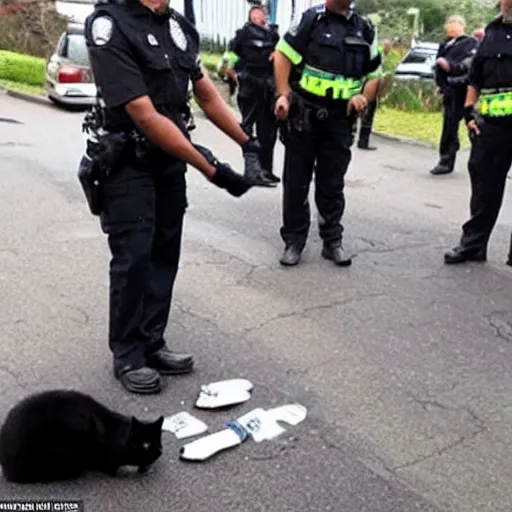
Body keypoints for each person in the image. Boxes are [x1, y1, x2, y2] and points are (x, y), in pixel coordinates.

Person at [82, 0, 269, 394]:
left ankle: (152, 341)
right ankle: (128, 354)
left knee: (165, 252)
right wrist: (212, 168)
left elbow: (205, 93)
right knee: (134, 258)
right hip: (128, 162)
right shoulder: (109, 24)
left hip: (169, 162)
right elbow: (143, 114)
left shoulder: (178, 27)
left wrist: (248, 142)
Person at [273, 0, 382, 267]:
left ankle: (332, 240)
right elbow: (282, 55)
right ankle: (294, 241)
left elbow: (375, 74)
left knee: (332, 182)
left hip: (340, 119)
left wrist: (362, 98)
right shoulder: (312, 19)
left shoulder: (364, 28)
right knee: (296, 181)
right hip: (305, 114)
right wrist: (284, 94)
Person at [444, 0, 512, 264]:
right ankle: (473, 245)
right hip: (493, 124)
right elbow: (475, 77)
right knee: (484, 184)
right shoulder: (491, 31)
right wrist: (469, 111)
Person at [225, 5, 280, 185]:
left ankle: (266, 170)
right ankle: (252, 171)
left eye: (262, 15)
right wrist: (231, 73)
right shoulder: (243, 33)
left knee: (268, 131)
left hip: (268, 87)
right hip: (249, 85)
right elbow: (231, 56)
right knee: (248, 128)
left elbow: (280, 55)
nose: (260, 18)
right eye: (256, 15)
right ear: (251, 17)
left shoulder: (273, 34)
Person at [430, 15, 479, 175]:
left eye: (454, 23)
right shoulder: (445, 44)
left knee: (472, 123)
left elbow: (469, 65)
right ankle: (446, 159)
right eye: (449, 23)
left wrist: (450, 67)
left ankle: (480, 157)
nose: (450, 27)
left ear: (462, 26)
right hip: (449, 90)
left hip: (464, 89)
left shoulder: (470, 43)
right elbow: (438, 67)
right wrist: (440, 85)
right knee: (449, 126)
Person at [357, 39, 392, 150]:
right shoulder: (378, 52)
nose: (390, 50)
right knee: (368, 112)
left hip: (369, 81)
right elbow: (374, 72)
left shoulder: (376, 51)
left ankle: (363, 140)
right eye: (389, 47)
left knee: (366, 112)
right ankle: (363, 141)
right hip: (371, 82)